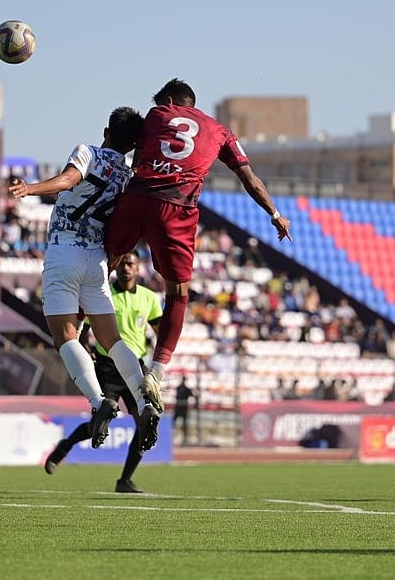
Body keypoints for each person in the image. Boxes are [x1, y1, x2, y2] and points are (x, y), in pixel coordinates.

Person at [105, 78, 292, 414]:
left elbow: (122, 144)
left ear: (173, 100)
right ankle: (157, 370)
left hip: (137, 196)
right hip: (175, 208)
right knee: (177, 294)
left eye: (165, 103)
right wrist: (275, 214)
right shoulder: (220, 131)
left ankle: (74, 334)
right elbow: (249, 179)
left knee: (104, 267)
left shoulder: (154, 115)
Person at [8, 107, 162, 450]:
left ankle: (98, 402)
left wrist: (31, 188)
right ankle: (143, 400)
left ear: (106, 131)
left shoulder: (88, 152)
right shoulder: (127, 177)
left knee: (64, 336)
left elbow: (68, 180)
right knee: (113, 340)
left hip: (64, 250)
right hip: (97, 260)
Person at [44, 251, 163, 493]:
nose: (126, 267)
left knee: (145, 422)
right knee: (100, 417)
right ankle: (65, 446)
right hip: (107, 366)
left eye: (131, 263)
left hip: (135, 365)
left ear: (139, 268)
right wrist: (87, 351)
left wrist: (159, 364)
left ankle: (125, 480)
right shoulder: (102, 292)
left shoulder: (149, 298)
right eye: (122, 262)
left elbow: (159, 329)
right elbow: (83, 327)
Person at [173, 375, 197, 446]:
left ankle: (184, 438)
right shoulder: (179, 388)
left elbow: (192, 396)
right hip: (179, 407)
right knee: (174, 423)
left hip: (183, 408)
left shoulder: (185, 389)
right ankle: (172, 436)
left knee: (184, 424)